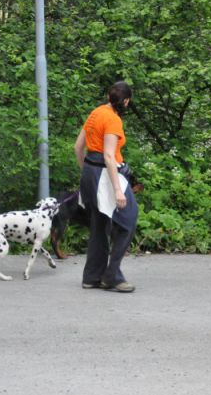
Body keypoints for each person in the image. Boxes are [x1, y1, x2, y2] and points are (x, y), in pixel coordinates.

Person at [73, 81, 138, 293]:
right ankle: (112, 276)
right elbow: (109, 156)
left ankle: (92, 277)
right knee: (128, 219)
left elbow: (77, 147)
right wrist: (118, 190)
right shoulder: (113, 120)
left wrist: (87, 171)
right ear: (126, 101)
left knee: (99, 224)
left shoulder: (97, 112)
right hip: (105, 174)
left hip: (90, 172)